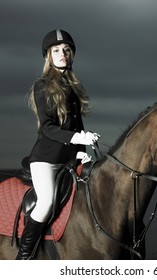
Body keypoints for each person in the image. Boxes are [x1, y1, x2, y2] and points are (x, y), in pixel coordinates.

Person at [16, 29, 99, 260]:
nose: (62, 54)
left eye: (66, 50)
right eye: (56, 51)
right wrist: (77, 138)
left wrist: (81, 153)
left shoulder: (73, 88)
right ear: (48, 56)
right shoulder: (42, 86)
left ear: (71, 54)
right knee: (46, 202)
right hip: (46, 160)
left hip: (68, 161)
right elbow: (48, 128)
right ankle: (23, 258)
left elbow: (78, 126)